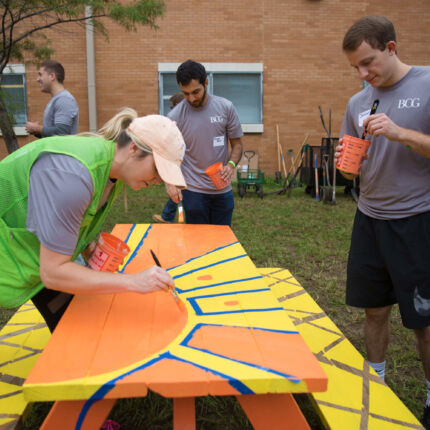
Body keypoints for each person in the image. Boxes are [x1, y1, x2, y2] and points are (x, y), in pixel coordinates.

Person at [1, 108, 187, 332]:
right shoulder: (73, 177)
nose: (158, 180)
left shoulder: (113, 170)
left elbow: (65, 221)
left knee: (74, 327)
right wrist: (133, 281)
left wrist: (85, 244)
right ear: (134, 148)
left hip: (32, 257)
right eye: (158, 169)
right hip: (27, 260)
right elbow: (53, 273)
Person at [335, 16, 430, 427]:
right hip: (369, 217)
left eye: (369, 63)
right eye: (355, 68)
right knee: (374, 311)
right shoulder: (358, 102)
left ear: (391, 48)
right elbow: (347, 175)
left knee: (423, 321)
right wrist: (346, 162)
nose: (363, 74)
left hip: (416, 220)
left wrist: (399, 133)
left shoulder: (426, 85)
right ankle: (376, 384)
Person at [164, 60, 243, 226]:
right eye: (185, 94)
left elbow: (237, 145)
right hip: (193, 192)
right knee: (198, 245)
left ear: (206, 83)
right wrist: (169, 182)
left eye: (196, 92)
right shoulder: (175, 117)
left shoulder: (226, 108)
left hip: (222, 191)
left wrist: (230, 165)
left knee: (222, 243)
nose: (191, 98)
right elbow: (165, 153)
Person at [153, 92, 185, 223]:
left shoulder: (180, 122)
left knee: (180, 193)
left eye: (173, 107)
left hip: (182, 164)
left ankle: (170, 216)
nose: (171, 111)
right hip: (177, 163)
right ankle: (170, 216)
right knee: (178, 192)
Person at [25, 60, 79, 137]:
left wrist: (37, 128)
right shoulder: (56, 100)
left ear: (52, 76)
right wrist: (36, 131)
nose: (37, 79)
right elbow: (53, 138)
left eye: (40, 75)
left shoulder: (64, 100)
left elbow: (61, 132)